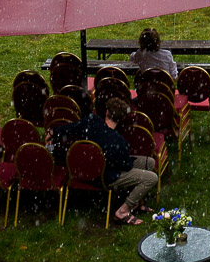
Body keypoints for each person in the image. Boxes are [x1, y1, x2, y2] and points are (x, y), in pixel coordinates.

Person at [51, 96, 157, 226]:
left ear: (107, 112)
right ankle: (123, 211)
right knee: (151, 178)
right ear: (122, 118)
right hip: (105, 176)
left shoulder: (91, 121)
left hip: (83, 167)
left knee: (149, 162)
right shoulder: (118, 141)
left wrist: (53, 132)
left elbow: (70, 128)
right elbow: (126, 166)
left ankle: (136, 203)